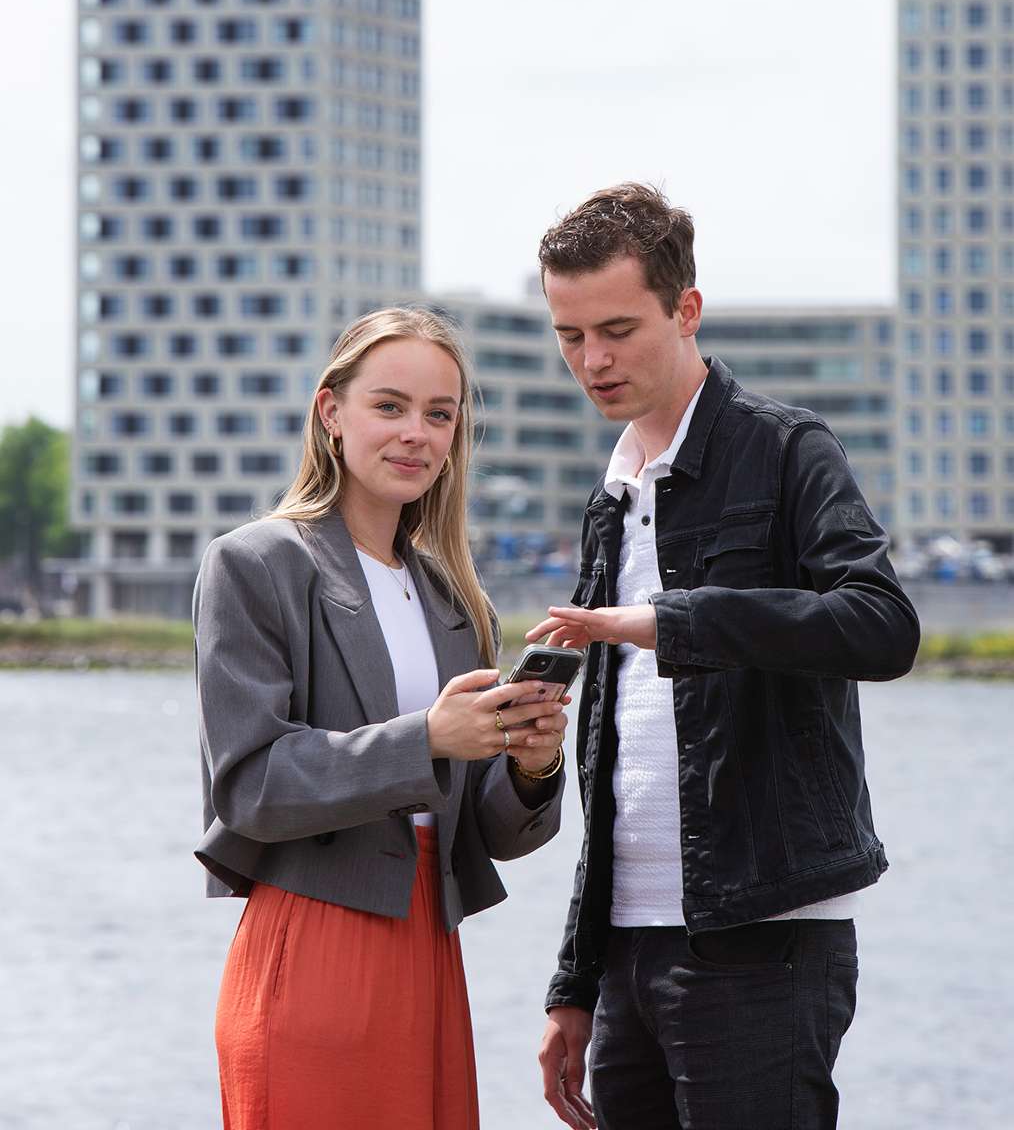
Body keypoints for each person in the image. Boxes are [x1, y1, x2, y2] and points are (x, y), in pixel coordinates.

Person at [528, 184, 920, 1130]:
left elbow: (882, 625)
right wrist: (574, 981)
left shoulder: (788, 450)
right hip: (628, 952)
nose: (594, 359)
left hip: (765, 941)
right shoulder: (610, 496)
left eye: (617, 328)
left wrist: (673, 622)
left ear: (686, 310)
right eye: (570, 335)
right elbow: (612, 766)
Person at [194, 307, 567, 1130]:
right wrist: (425, 739)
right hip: (314, 941)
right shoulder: (255, 563)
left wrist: (532, 766)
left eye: (440, 414)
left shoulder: (455, 603)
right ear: (332, 413)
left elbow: (480, 831)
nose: (417, 434)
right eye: (390, 406)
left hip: (430, 951)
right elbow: (249, 786)